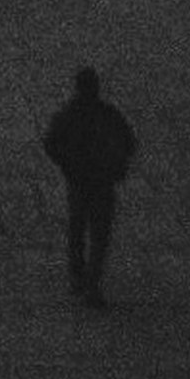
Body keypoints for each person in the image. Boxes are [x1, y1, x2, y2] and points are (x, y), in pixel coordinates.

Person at [43, 63, 136, 305]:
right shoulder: (107, 113)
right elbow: (129, 141)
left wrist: (68, 165)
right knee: (99, 235)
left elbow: (51, 143)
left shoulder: (68, 114)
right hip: (102, 183)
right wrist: (116, 165)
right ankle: (92, 284)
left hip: (79, 182)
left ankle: (78, 277)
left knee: (77, 230)